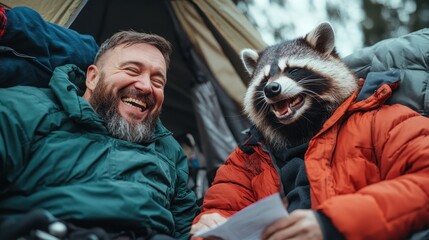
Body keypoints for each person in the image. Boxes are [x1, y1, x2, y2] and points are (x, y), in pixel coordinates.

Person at [190, 26, 429, 240]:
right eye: (264, 81)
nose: (272, 87)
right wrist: (210, 222)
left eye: (292, 71)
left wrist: (333, 224)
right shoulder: (249, 157)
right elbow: (221, 209)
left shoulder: (381, 122)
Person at [0, 6, 199, 240]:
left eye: (158, 81)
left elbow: (190, 229)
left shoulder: (170, 152)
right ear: (92, 77)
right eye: (132, 70)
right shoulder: (24, 109)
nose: (146, 86)